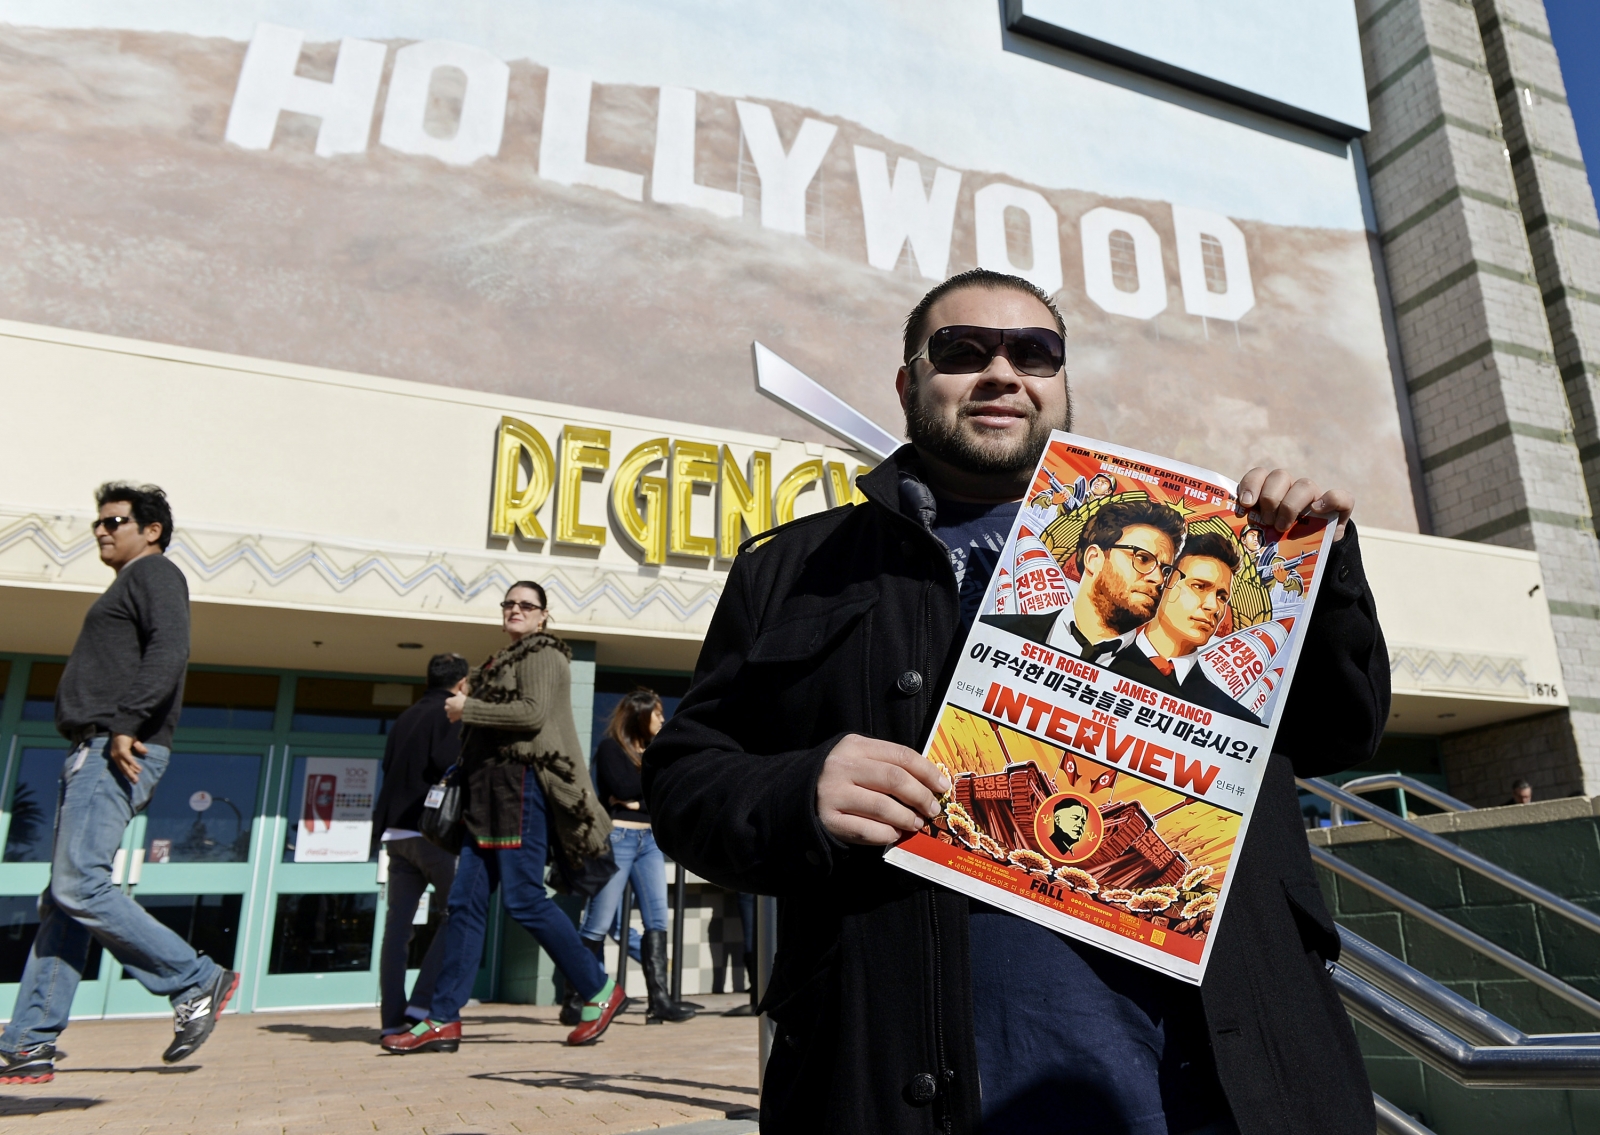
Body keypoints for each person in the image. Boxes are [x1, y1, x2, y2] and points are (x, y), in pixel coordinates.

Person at [645, 268, 1388, 1134]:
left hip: (1218, 1090)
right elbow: (685, 778)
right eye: (962, 351)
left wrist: (1319, 571)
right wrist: (798, 790)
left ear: (1062, 382)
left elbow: (1344, 728)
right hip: (909, 1087)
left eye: (1034, 352)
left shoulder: (1219, 546)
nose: (1002, 372)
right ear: (908, 381)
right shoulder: (795, 568)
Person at [1, 484, 238, 1085]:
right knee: (64, 899)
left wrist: (127, 723)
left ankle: (194, 978)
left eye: (115, 520)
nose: (103, 530)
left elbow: (170, 650)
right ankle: (29, 1039)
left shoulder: (154, 574)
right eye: (97, 523)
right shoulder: (129, 581)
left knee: (79, 884)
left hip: (117, 745)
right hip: (97, 746)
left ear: (152, 529)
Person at [383, 582, 625, 1052]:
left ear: (543, 616)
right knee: (464, 906)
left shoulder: (545, 655)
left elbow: (532, 715)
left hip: (520, 787)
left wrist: (467, 708)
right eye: (509, 604)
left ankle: (598, 989)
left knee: (523, 899)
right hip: (485, 792)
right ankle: (443, 1019)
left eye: (526, 605)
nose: (516, 610)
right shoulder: (501, 660)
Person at [576, 689, 695, 1023]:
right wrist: (640, 796)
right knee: (599, 921)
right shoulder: (611, 748)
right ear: (640, 716)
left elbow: (663, 794)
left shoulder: (658, 753)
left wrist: (636, 798)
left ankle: (659, 1002)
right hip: (619, 838)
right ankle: (578, 998)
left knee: (657, 919)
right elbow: (623, 787)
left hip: (650, 841)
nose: (663, 719)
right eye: (657, 713)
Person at [371, 652, 469, 1038]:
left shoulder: (405, 717)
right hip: (434, 834)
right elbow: (446, 761)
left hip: (395, 834)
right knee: (456, 915)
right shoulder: (447, 714)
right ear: (461, 684)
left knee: (397, 928)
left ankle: (391, 1018)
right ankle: (422, 1004)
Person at [982, 498, 1186, 664]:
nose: (1159, 578)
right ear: (1094, 559)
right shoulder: (991, 633)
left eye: (1166, 570)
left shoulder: (1161, 691)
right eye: (1143, 558)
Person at [1108, 531, 1262, 725]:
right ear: (1164, 582)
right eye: (1199, 586)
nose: (1213, 606)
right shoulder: (1092, 661)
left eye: (1222, 597)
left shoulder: (1237, 722)